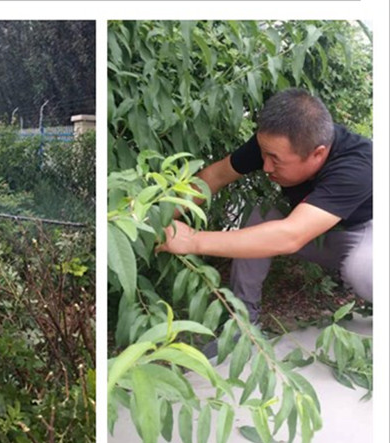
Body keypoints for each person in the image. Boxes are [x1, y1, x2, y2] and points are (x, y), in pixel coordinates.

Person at [157, 88, 372, 325]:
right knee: (261, 215)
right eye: (263, 155)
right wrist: (158, 214)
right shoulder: (275, 143)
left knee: (362, 267)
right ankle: (243, 321)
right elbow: (215, 176)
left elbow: (291, 235)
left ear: (318, 154)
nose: (266, 166)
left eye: (275, 160)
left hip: (368, 230)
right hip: (321, 227)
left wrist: (193, 240)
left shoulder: (358, 166)